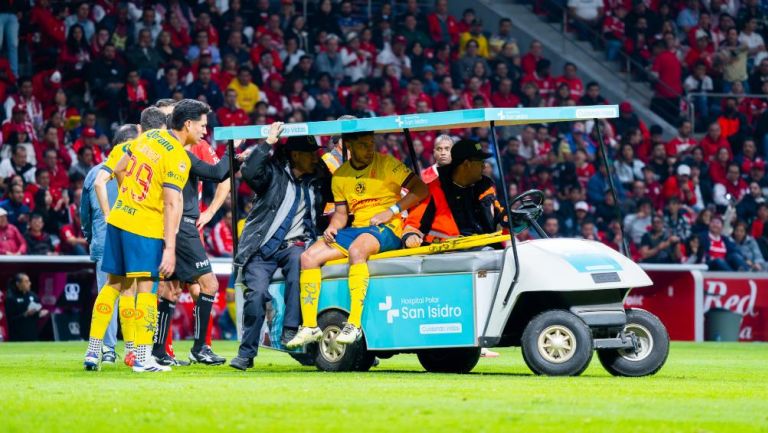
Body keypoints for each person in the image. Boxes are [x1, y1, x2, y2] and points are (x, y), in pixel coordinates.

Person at [83, 99, 206, 373]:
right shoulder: (177, 155)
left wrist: (129, 195)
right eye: (202, 125)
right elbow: (172, 203)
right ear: (187, 124)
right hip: (144, 226)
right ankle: (141, 357)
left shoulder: (144, 138)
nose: (204, 131)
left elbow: (117, 169)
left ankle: (93, 352)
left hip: (118, 219)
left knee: (113, 285)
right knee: (146, 290)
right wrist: (170, 248)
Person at [286, 129, 428, 348]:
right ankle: (310, 326)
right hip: (358, 229)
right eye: (363, 144)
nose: (369, 148)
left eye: (371, 143)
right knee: (308, 258)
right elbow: (341, 215)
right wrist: (332, 228)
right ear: (349, 145)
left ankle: (354, 324)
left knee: (357, 250)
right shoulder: (341, 175)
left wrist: (392, 210)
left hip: (388, 228)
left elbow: (421, 189)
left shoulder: (388, 164)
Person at [229, 126, 332, 370]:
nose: (315, 157)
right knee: (256, 296)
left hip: (293, 247)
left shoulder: (317, 180)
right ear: (295, 155)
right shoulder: (272, 174)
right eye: (310, 153)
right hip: (261, 248)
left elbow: (341, 192)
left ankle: (289, 332)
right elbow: (250, 170)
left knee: (300, 264)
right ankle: (246, 354)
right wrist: (267, 143)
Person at [80, 124, 139, 365]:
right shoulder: (136, 168)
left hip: (104, 241)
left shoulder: (95, 172)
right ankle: (135, 349)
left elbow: (84, 213)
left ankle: (106, 349)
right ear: (128, 143)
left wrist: (90, 236)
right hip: (134, 237)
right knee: (131, 293)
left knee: (108, 291)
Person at [403, 138, 503, 246]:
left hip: (485, 250)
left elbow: (499, 217)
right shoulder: (435, 190)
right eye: (480, 162)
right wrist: (411, 236)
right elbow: (412, 226)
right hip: (448, 254)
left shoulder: (485, 187)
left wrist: (510, 219)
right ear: (466, 163)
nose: (484, 166)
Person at [5, 273, 48, 341]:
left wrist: (40, 313)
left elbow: (36, 313)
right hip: (17, 336)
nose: (29, 283)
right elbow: (10, 320)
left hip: (32, 335)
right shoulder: (11, 298)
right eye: (26, 281)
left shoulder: (34, 296)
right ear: (18, 284)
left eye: (29, 281)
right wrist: (25, 314)